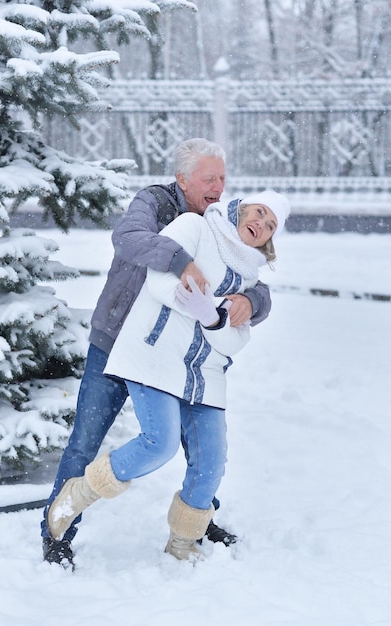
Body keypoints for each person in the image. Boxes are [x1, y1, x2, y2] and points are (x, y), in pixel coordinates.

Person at [41, 138, 273, 569]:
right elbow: (128, 238)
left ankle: (196, 522)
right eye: (209, 178)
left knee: (202, 449)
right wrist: (180, 260)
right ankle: (57, 529)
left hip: (175, 356)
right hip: (116, 344)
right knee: (85, 443)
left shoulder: (220, 220)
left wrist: (254, 303)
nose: (219, 187)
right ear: (183, 178)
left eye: (223, 178)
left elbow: (250, 273)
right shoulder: (155, 201)